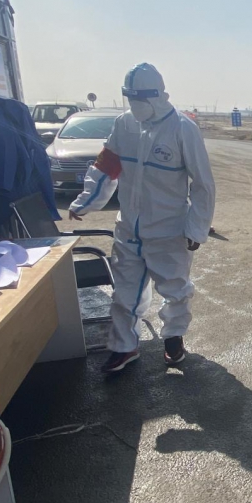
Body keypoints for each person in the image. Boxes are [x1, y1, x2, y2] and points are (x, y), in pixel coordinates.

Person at [69, 63, 216, 374]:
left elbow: (203, 184)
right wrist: (85, 202)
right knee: (124, 293)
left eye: (141, 99)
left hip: (168, 230)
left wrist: (196, 228)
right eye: (131, 98)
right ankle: (124, 347)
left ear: (158, 95)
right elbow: (106, 168)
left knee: (175, 290)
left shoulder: (182, 128)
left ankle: (173, 338)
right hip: (128, 229)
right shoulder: (124, 125)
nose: (135, 105)